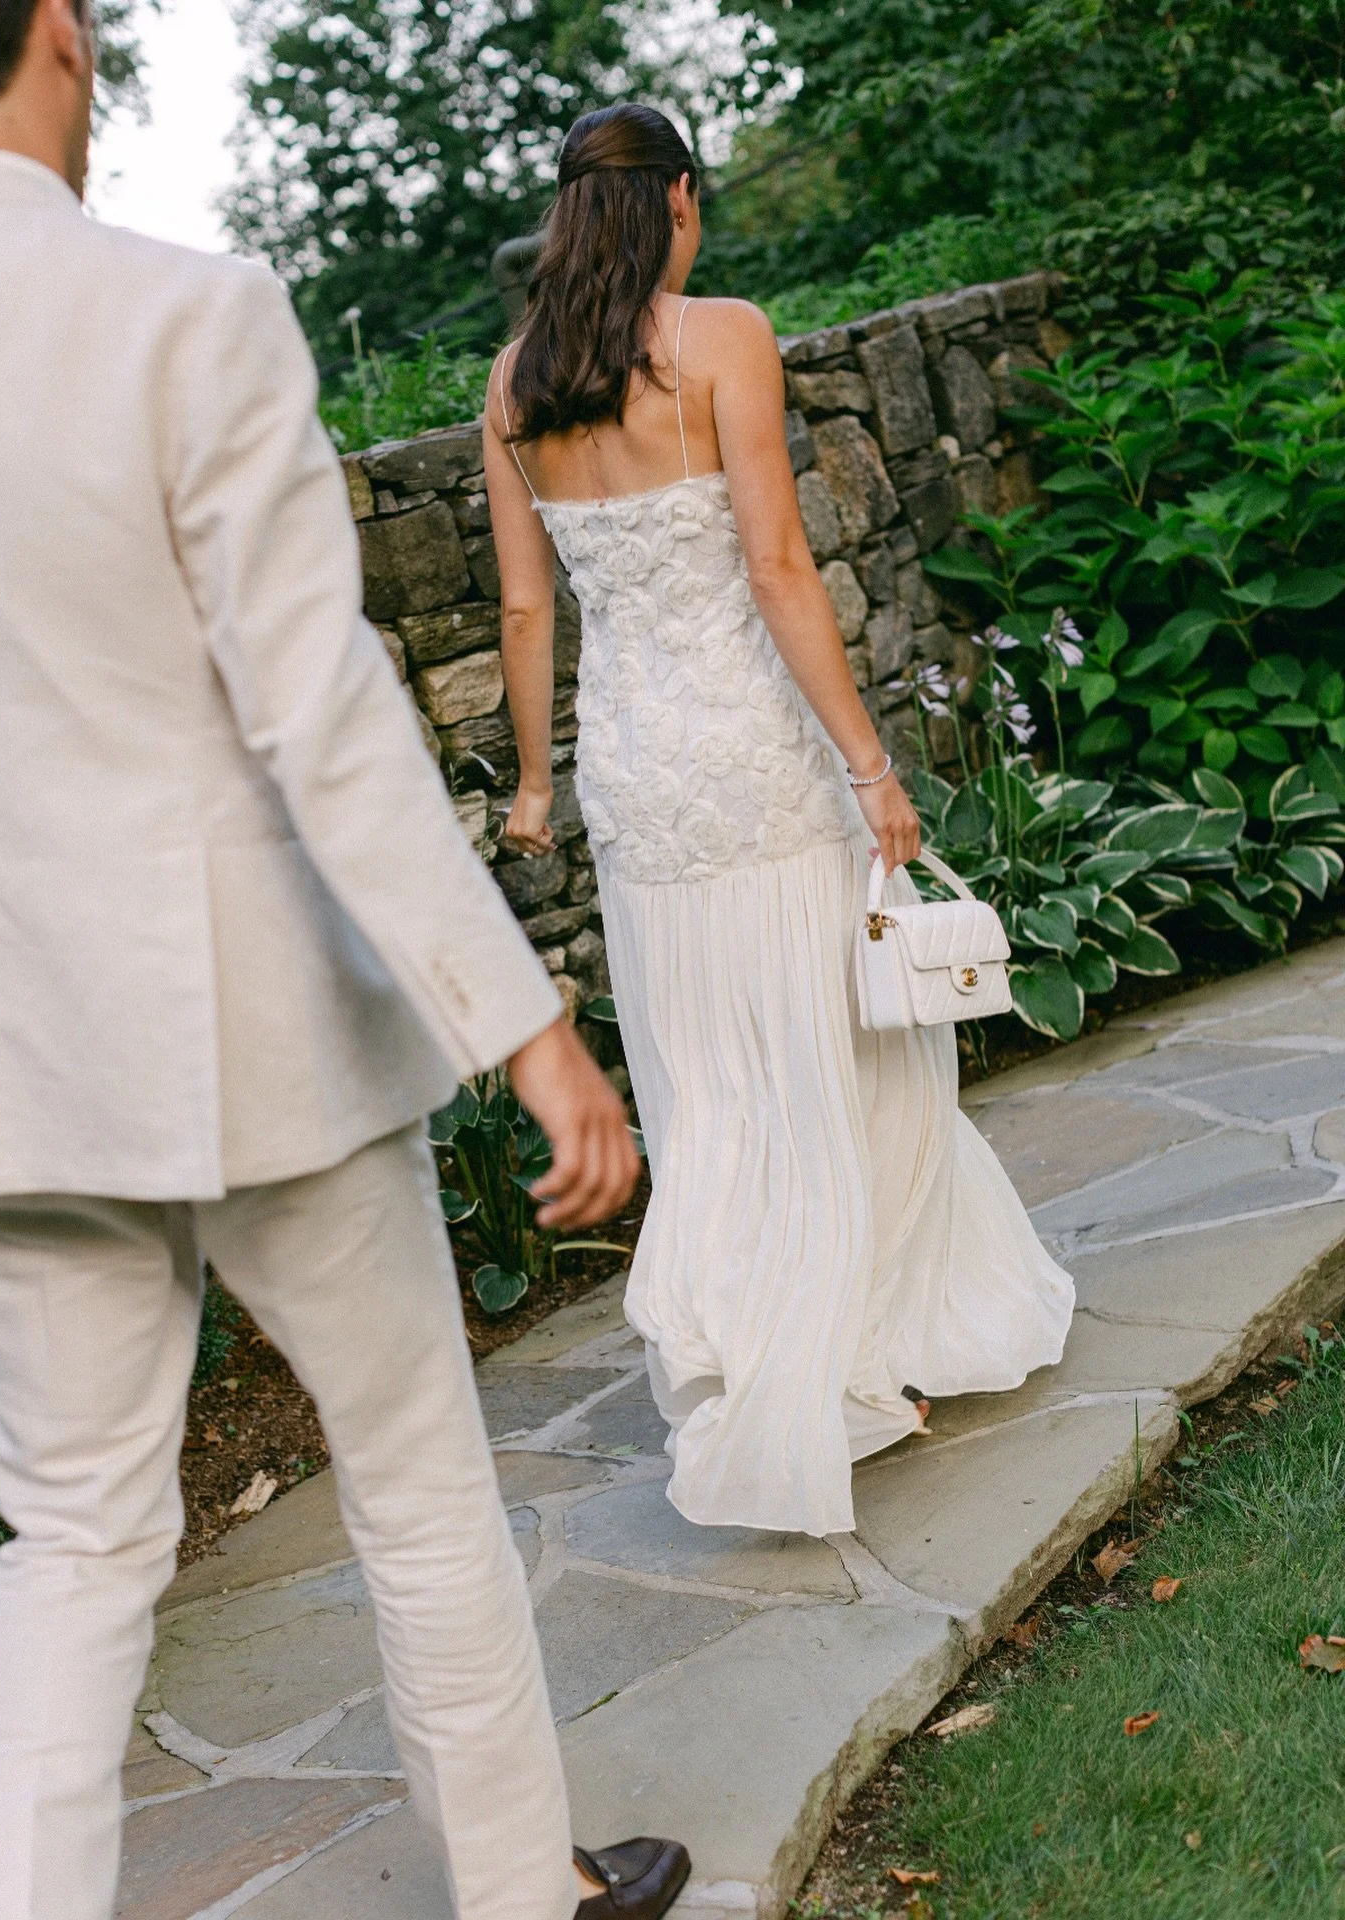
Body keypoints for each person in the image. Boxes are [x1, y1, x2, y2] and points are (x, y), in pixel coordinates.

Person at [0, 6, 690, 1918]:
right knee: (413, 1471)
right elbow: (318, 710)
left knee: (71, 1547)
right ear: (62, 44)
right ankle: (525, 1897)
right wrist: (524, 1025)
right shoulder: (185, 309)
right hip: (249, 1022)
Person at [486, 103, 1075, 1541]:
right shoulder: (723, 336)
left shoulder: (516, 382)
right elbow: (776, 559)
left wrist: (536, 787)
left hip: (636, 771)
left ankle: (774, 1352)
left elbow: (523, 606)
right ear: (676, 200)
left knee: (709, 1076)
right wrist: (870, 764)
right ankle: (858, 1358)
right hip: (754, 753)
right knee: (841, 1042)